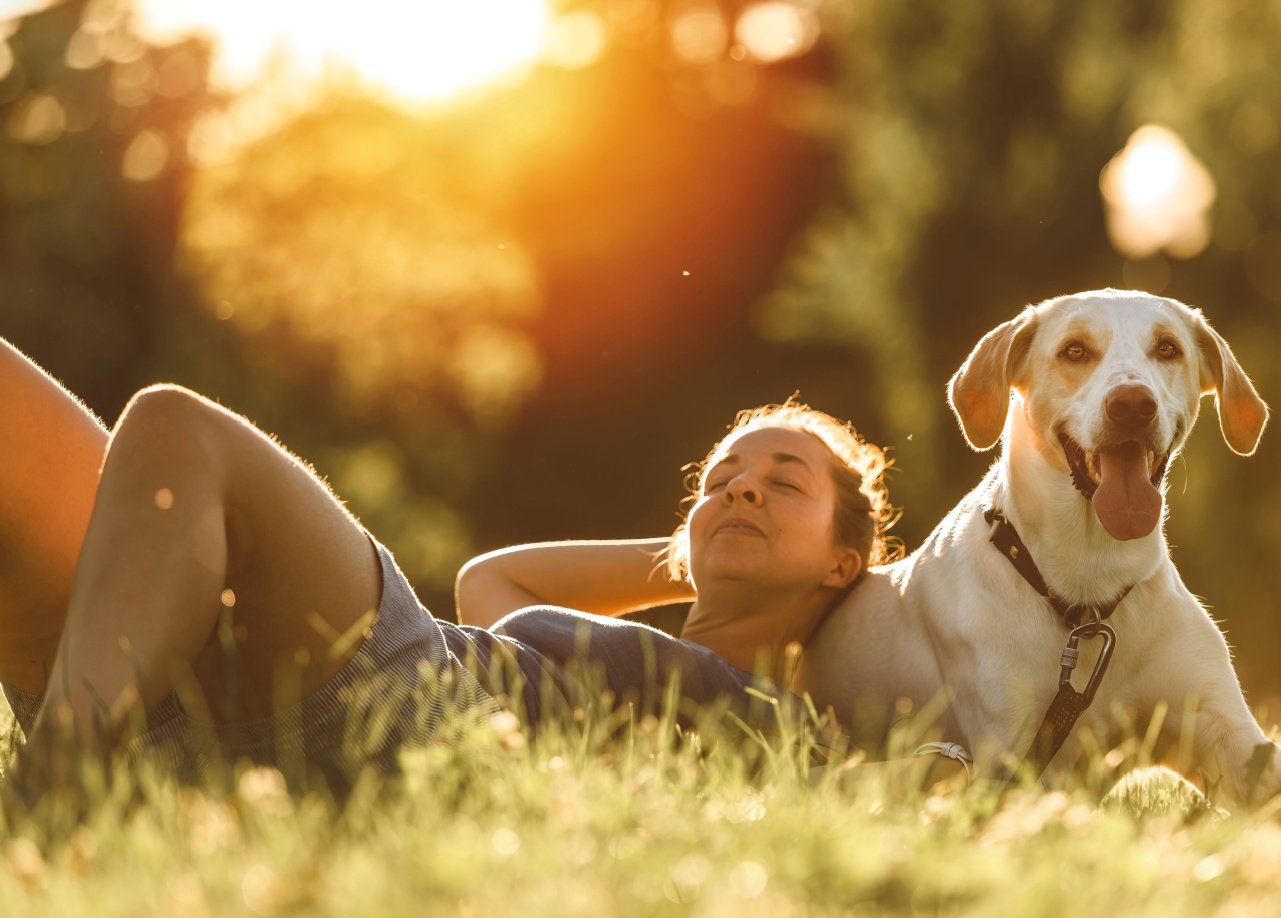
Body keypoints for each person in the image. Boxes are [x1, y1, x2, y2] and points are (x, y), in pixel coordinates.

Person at [0, 336, 895, 795]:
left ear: (843, 562)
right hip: (188, 697)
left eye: (785, 485)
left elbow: (871, 777)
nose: (741, 492)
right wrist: (705, 554)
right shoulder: (587, 640)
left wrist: (829, 583)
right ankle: (82, 753)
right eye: (723, 479)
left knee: (172, 426)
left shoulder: (774, 716)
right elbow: (490, 580)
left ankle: (51, 785)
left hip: (419, 707)